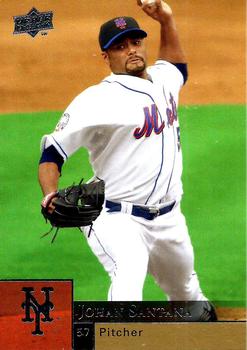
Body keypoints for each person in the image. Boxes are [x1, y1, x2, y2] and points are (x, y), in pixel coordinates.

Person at [38, 0, 216, 316]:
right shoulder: (96, 100)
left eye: (135, 42)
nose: (131, 50)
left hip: (168, 218)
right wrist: (49, 193)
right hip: (116, 216)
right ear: (106, 57)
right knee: (128, 273)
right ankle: (119, 338)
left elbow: (178, 69)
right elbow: (52, 152)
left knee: (188, 295)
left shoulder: (163, 79)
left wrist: (167, 21)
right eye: (120, 47)